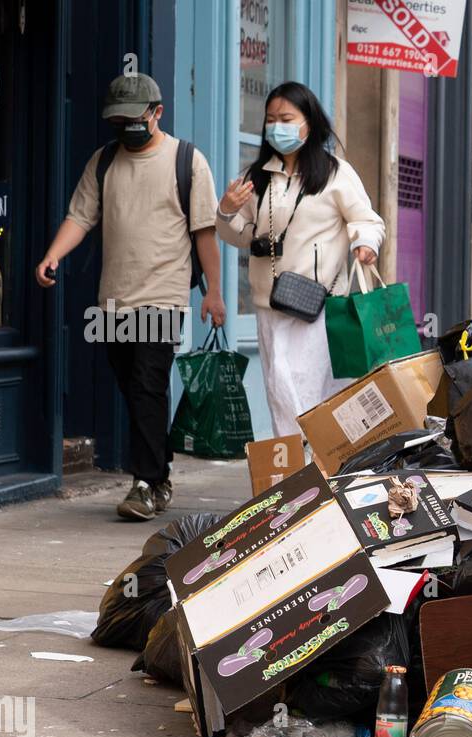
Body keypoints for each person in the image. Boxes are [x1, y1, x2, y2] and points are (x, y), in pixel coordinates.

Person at [36, 73, 225, 521]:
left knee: (147, 386)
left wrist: (214, 292)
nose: (124, 127)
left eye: (133, 118)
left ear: (157, 113)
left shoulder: (187, 161)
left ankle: (143, 483)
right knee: (131, 387)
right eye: (117, 120)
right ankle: (159, 476)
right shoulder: (103, 161)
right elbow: (80, 217)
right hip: (113, 300)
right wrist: (52, 256)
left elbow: (204, 233)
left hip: (162, 295)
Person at [215, 81, 385, 437]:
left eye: (287, 118)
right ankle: (295, 477)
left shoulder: (335, 173)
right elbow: (239, 235)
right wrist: (227, 212)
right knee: (281, 396)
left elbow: (366, 220)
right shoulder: (256, 178)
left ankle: (310, 475)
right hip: (269, 306)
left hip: (317, 308)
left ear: (309, 122)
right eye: (271, 118)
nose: (277, 125)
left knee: (309, 399)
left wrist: (365, 244)